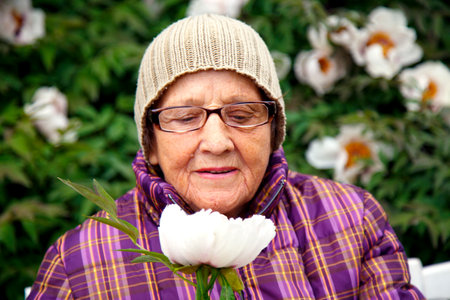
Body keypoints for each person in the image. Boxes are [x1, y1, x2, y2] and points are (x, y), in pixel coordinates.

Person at [28, 14, 424, 299]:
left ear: (273, 130)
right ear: (149, 143)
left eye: (241, 114)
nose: (216, 141)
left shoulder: (348, 219)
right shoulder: (81, 265)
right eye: (185, 117)